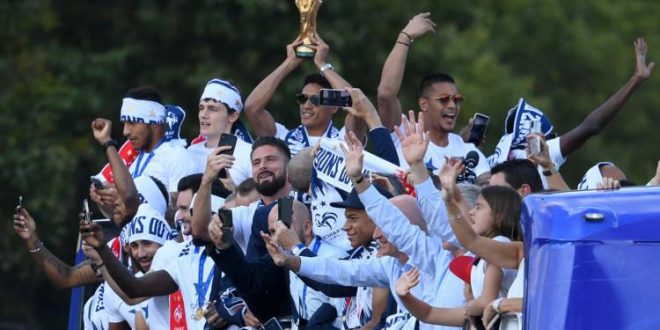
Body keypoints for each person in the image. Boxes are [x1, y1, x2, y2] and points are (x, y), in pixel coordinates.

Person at [487, 38, 655, 182]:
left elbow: (591, 127)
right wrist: (635, 80)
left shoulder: (544, 154)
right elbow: (591, 127)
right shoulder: (492, 165)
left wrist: (635, 80)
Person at [377, 13, 490, 185]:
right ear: (424, 104)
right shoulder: (404, 134)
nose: (452, 105)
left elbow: (488, 193)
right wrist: (404, 38)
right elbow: (385, 94)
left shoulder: (468, 151)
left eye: (457, 99)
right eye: (443, 99)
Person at [243, 34, 364, 155]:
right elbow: (252, 108)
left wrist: (322, 64)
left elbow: (357, 104)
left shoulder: (345, 139)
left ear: (334, 107)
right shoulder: (282, 139)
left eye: (315, 100)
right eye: (302, 99)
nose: (306, 105)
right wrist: (290, 62)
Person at [91, 87, 196, 223]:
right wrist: (104, 201)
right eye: (125, 123)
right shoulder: (136, 160)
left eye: (132, 123)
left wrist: (132, 202)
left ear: (154, 123)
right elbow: (120, 218)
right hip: (134, 241)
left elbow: (182, 214)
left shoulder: (177, 156)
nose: (125, 131)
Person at [187, 79, 254, 186]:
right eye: (201, 108)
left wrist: (234, 193)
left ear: (233, 116)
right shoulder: (190, 152)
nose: (204, 115)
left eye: (213, 109)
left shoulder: (248, 153)